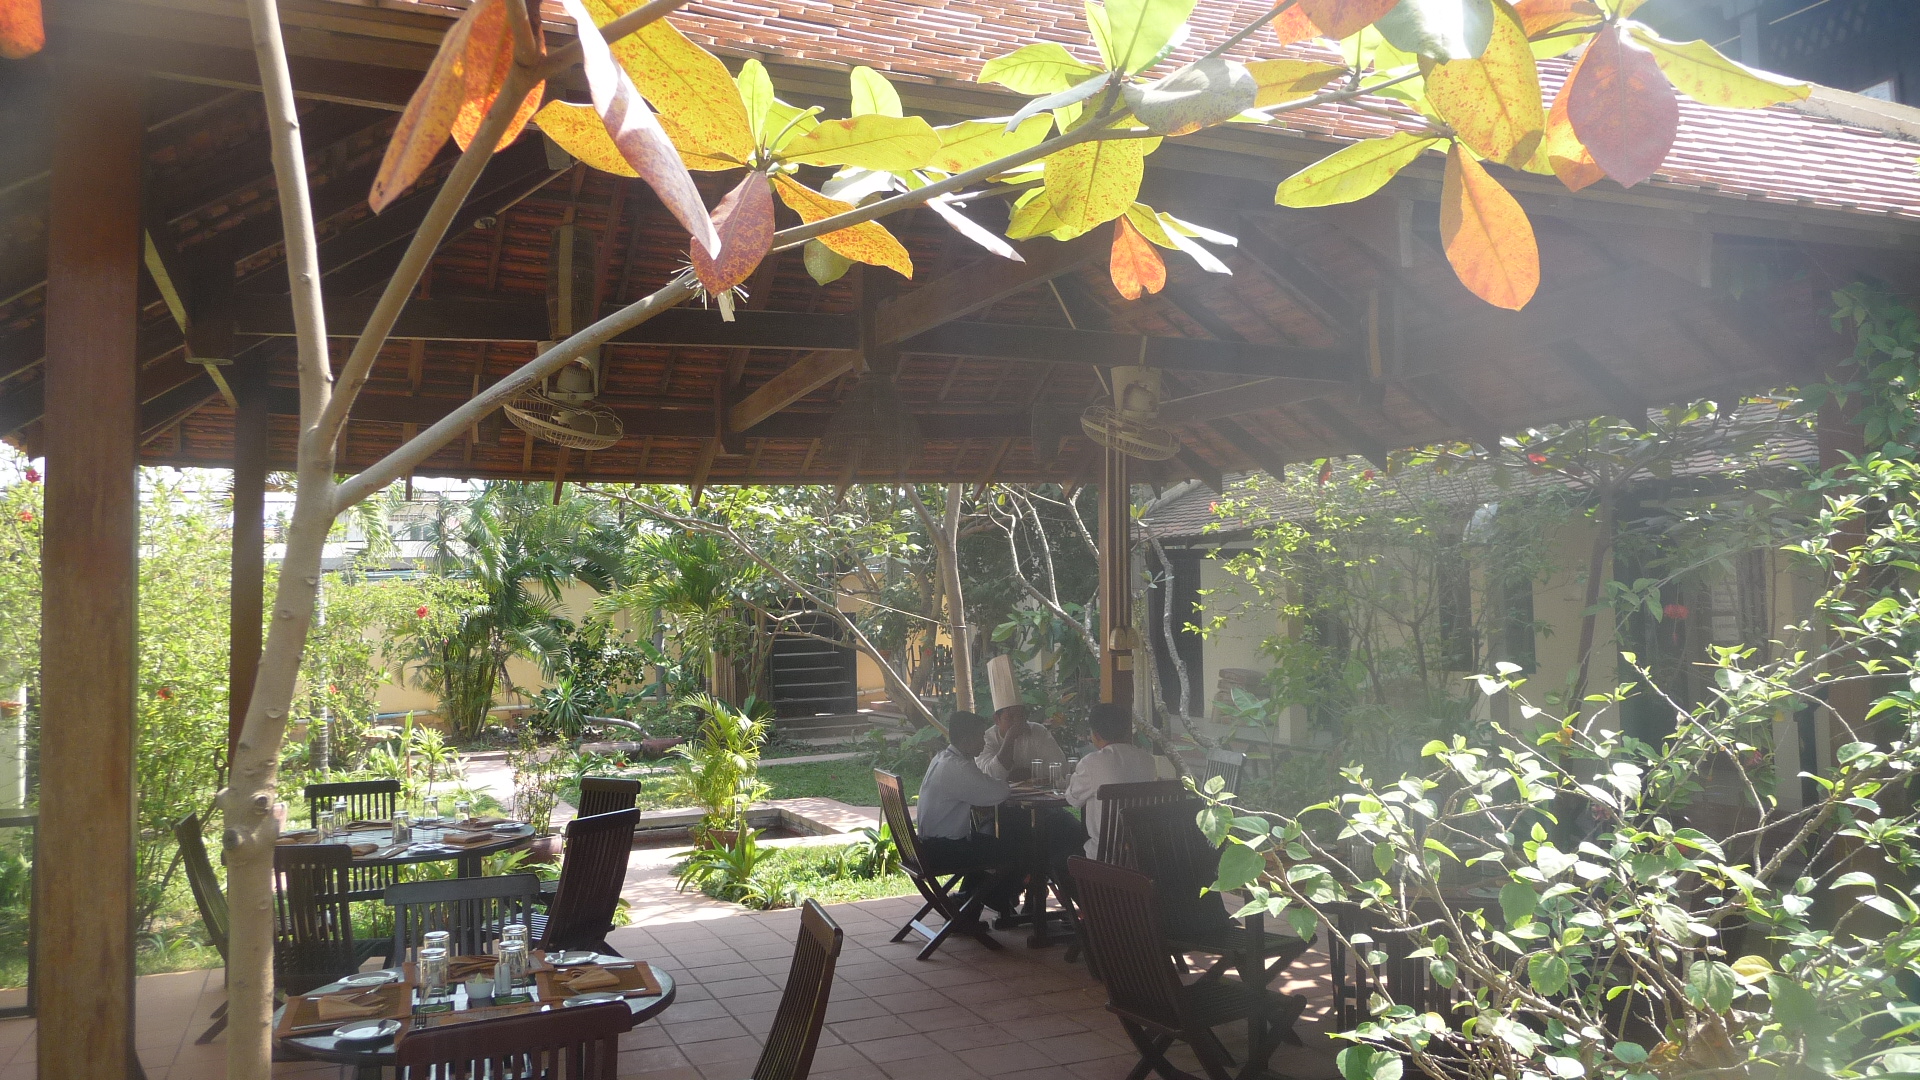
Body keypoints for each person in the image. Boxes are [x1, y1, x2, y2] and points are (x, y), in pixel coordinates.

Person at [916, 711, 1022, 916]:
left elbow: (981, 787)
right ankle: (992, 899)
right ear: (966, 740)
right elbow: (997, 793)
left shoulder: (943, 758)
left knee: (991, 844)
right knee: (1016, 849)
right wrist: (1008, 783)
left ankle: (967, 905)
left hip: (929, 845)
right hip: (943, 850)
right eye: (980, 736)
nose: (984, 742)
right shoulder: (957, 767)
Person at [1064, 702, 1159, 858]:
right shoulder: (1148, 760)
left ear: (1096, 735)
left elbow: (1073, 799)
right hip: (1139, 855)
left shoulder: (1091, 763)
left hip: (1104, 856)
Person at [978, 654, 1065, 781]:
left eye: (1021, 716)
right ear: (997, 719)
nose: (1017, 722)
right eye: (1010, 717)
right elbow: (989, 775)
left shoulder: (1038, 732)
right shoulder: (986, 739)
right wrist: (1010, 738)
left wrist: (1030, 773)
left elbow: (1060, 767)